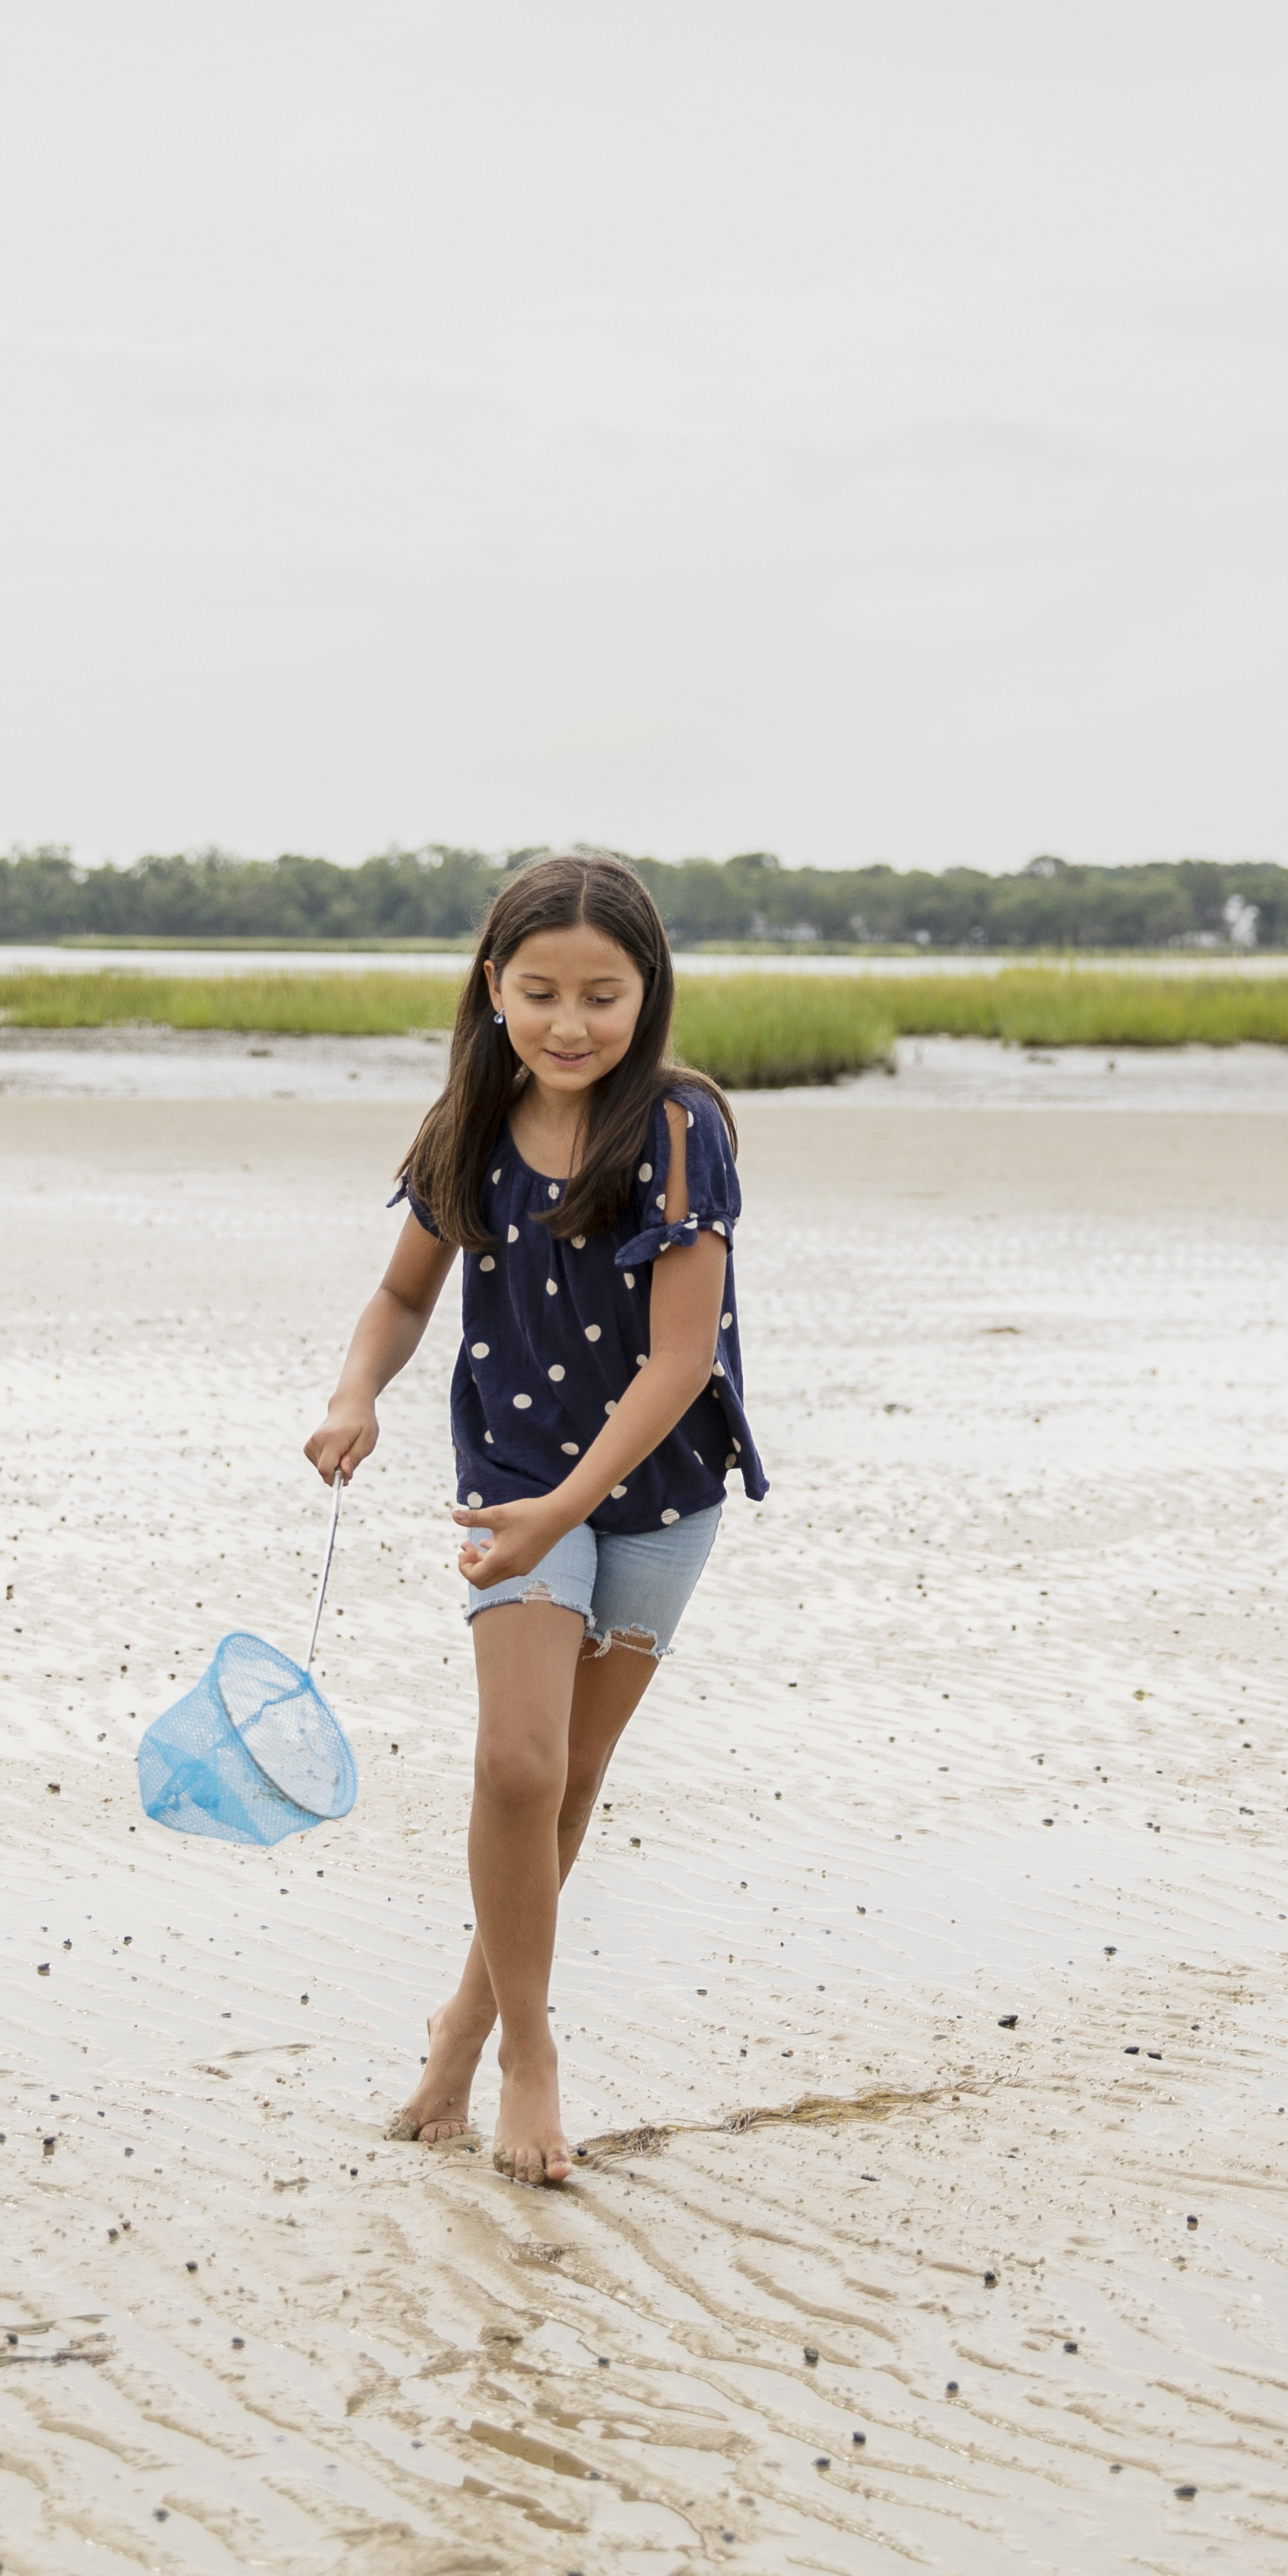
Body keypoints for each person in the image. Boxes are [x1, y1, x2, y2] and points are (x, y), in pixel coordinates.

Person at [305, 852, 765, 2183]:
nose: (571, 1024)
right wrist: (355, 1394)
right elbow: (400, 1298)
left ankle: (459, 2028)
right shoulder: (470, 1120)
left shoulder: (681, 1128)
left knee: (565, 1783)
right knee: (517, 1764)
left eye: (603, 996)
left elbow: (680, 1361)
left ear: (648, 995)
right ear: (493, 988)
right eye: (543, 992)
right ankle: (528, 2055)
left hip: (660, 1493)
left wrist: (573, 1506)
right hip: (517, 1479)